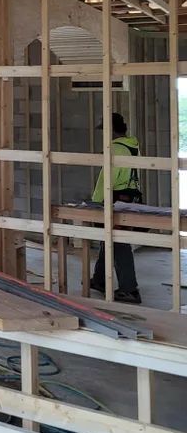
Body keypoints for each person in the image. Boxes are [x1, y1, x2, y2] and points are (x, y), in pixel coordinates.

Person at [89, 112, 142, 304]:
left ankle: (130, 289)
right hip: (131, 197)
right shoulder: (132, 144)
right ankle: (99, 280)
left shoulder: (115, 150)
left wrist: (96, 202)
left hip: (116, 198)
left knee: (119, 243)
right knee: (109, 238)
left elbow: (107, 179)